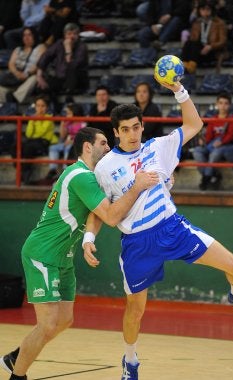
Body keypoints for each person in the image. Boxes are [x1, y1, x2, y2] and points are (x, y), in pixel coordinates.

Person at [83, 78, 233, 380]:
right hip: (137, 243)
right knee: (135, 310)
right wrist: (88, 237)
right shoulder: (105, 167)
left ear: (142, 126)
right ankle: (131, 360)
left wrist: (179, 90)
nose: (132, 134)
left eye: (136, 127)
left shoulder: (158, 147)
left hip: (172, 229)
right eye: (125, 129)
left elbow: (194, 124)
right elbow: (99, 210)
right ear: (116, 132)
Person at [0, 127, 159, 380]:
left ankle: (15, 357)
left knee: (64, 320)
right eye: (104, 143)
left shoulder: (91, 177)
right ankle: (17, 376)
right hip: (43, 254)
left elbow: (100, 210)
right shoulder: (81, 176)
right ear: (88, 147)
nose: (109, 148)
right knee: (48, 323)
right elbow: (109, 215)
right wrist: (138, 186)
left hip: (64, 257)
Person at [36, 23, 89, 111]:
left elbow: (73, 65)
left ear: (78, 35)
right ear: (64, 35)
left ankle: (69, 99)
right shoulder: (59, 44)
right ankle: (56, 107)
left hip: (78, 80)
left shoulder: (82, 47)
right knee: (43, 86)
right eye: (69, 34)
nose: (71, 37)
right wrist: (39, 74)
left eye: (74, 34)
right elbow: (46, 56)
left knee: (72, 71)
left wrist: (68, 49)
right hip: (62, 78)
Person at [192, 92, 233, 190]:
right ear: (217, 105)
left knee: (215, 154)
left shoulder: (232, 118)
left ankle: (205, 179)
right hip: (212, 144)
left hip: (224, 145)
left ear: (229, 105)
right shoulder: (214, 118)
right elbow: (209, 135)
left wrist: (222, 142)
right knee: (197, 151)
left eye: (226, 103)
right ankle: (212, 175)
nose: (223, 106)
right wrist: (203, 141)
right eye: (220, 103)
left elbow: (231, 135)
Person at [11, 94, 58, 185]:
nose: (40, 108)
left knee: (28, 148)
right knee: (15, 147)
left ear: (47, 107)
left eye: (43, 106)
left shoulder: (49, 118)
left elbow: (41, 133)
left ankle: (25, 175)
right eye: (38, 106)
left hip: (43, 142)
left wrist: (36, 119)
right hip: (32, 141)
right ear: (35, 107)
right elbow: (29, 134)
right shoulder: (33, 118)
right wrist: (33, 120)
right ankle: (22, 171)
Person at [0, 27, 46, 104]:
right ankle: (5, 106)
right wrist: (16, 73)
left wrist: (26, 74)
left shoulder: (41, 47)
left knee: (34, 78)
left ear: (34, 36)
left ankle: (15, 98)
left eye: (29, 35)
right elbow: (11, 64)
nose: (26, 38)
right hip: (15, 77)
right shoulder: (18, 49)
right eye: (24, 35)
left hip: (29, 76)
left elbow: (39, 64)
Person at [181, 0, 227, 73]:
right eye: (203, 9)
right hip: (198, 51)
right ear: (199, 11)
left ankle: (190, 67)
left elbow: (223, 41)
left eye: (208, 9)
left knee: (194, 45)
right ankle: (186, 65)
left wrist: (210, 46)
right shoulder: (196, 23)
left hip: (212, 52)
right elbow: (193, 39)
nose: (205, 12)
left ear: (212, 10)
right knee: (189, 43)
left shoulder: (219, 23)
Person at [44, 102, 86, 183]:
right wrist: (63, 124)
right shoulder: (68, 123)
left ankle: (65, 169)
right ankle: (52, 169)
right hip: (66, 142)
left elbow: (83, 137)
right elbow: (62, 136)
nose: (67, 115)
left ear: (75, 113)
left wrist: (73, 141)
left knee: (68, 148)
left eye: (69, 113)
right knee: (53, 148)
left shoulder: (82, 123)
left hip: (75, 144)